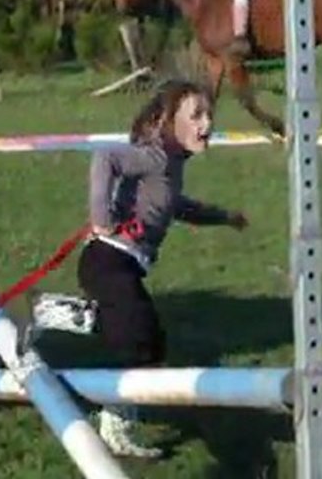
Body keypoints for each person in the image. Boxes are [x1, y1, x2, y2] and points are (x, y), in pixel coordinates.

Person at [77, 78, 249, 458]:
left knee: (151, 342)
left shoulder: (171, 164)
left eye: (209, 114)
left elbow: (178, 206)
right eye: (196, 115)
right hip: (108, 259)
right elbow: (104, 157)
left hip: (119, 264)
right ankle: (115, 424)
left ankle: (68, 316)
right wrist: (100, 217)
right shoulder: (154, 155)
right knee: (139, 337)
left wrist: (224, 217)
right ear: (167, 121)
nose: (207, 124)